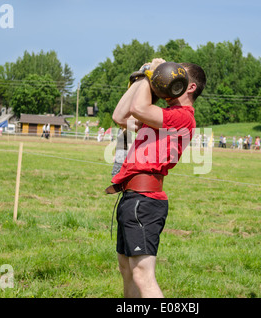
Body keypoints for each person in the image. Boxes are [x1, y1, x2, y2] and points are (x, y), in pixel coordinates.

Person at [107, 58, 206, 298]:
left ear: (189, 87)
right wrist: (142, 78)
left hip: (145, 199)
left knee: (142, 274)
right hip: (132, 197)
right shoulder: (163, 115)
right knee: (127, 269)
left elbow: (140, 109)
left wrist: (152, 74)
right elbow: (120, 116)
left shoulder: (183, 116)